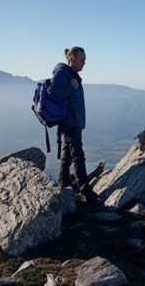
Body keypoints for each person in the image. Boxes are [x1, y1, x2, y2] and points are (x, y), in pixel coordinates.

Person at [47, 46, 103, 204]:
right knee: (78, 155)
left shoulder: (71, 74)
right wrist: (71, 86)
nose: (84, 63)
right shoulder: (62, 73)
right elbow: (52, 93)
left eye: (84, 60)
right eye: (82, 60)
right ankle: (86, 192)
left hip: (74, 121)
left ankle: (63, 184)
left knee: (67, 155)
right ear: (72, 59)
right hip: (70, 122)